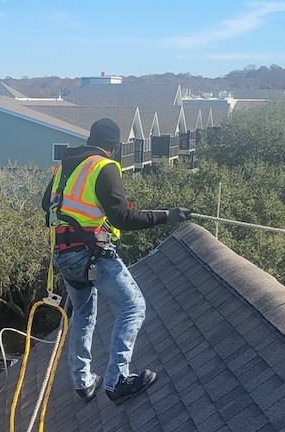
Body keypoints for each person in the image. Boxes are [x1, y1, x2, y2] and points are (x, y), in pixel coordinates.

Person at [42, 118, 192, 405]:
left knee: (84, 314)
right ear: (113, 147)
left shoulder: (66, 165)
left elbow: (46, 205)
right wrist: (168, 216)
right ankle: (117, 381)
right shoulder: (103, 166)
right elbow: (123, 217)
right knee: (133, 306)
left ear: (91, 138)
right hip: (89, 254)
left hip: (63, 254)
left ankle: (83, 381)